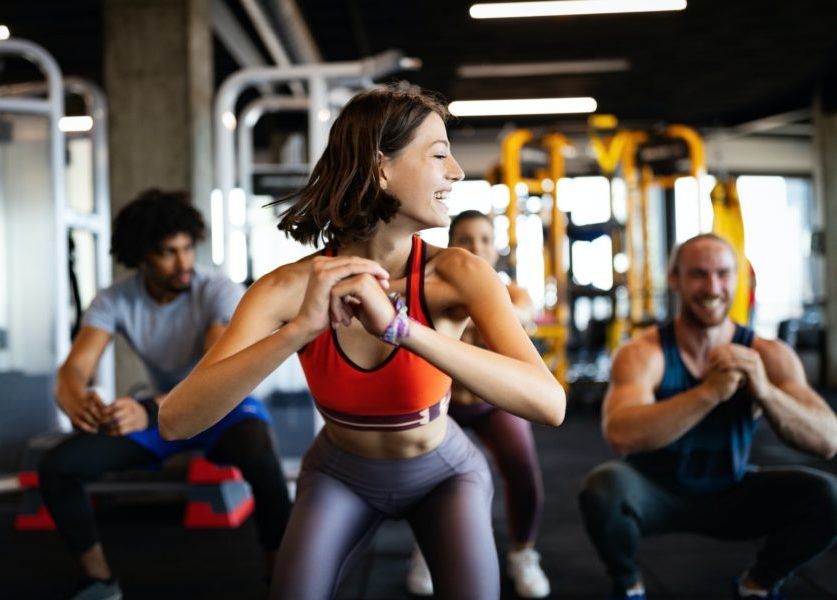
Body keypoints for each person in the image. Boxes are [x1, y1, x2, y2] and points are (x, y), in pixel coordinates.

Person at [159, 86, 566, 600]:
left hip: (444, 473)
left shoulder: (459, 274)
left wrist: (401, 329)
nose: (458, 171)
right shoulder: (286, 289)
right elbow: (176, 421)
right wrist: (300, 330)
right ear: (381, 169)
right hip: (340, 473)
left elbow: (550, 404)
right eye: (440, 155)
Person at [39, 190, 293, 600]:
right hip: (159, 416)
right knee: (58, 467)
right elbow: (75, 367)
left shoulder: (217, 290)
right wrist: (73, 398)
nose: (183, 263)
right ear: (141, 255)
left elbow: (213, 368)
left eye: (187, 248)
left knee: (260, 454)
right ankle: (100, 583)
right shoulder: (114, 299)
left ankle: (280, 579)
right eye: (168, 253)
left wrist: (148, 409)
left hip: (222, 407)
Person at [578, 233, 837, 600]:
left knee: (828, 496)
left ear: (737, 279)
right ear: (675, 280)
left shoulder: (768, 354)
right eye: (698, 274)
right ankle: (628, 585)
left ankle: (757, 585)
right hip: (655, 492)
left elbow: (828, 439)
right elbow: (620, 434)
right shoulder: (642, 353)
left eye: (723, 274)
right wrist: (708, 393)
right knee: (603, 487)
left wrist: (764, 390)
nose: (712, 287)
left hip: (731, 489)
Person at [405, 210, 550, 598]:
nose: (476, 247)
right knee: (425, 476)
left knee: (522, 468)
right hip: (444, 402)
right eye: (466, 240)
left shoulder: (510, 292)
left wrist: (483, 305)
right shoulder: (430, 290)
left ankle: (523, 553)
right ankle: (427, 549)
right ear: (451, 246)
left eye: (485, 240)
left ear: (496, 249)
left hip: (491, 403)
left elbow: (522, 312)